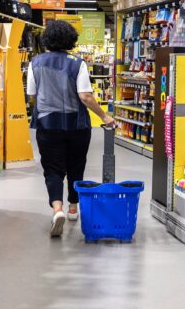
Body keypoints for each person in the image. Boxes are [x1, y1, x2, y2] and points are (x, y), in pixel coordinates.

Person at [27, 20, 115, 237]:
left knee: (52, 168)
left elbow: (32, 95)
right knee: (76, 165)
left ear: (46, 39)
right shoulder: (77, 63)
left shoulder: (35, 63)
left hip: (47, 125)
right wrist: (104, 116)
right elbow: (85, 96)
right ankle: (73, 207)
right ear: (71, 39)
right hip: (76, 125)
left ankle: (57, 210)